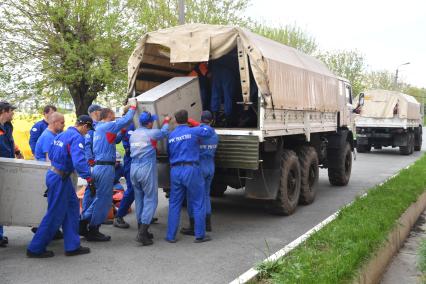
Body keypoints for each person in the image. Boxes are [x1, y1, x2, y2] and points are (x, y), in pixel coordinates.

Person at [26, 115, 95, 258]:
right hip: (60, 178)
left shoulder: (61, 135)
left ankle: (72, 246)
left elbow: (51, 154)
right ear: (84, 126)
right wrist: (89, 178)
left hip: (57, 175)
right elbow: (79, 161)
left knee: (72, 208)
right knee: (54, 214)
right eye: (87, 130)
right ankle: (35, 248)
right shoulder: (77, 138)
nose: (87, 133)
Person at [79, 99, 137, 242]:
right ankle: (89, 226)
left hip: (99, 167)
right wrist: (134, 106)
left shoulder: (99, 128)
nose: (114, 117)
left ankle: (85, 222)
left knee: (98, 197)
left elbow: (113, 139)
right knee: (103, 200)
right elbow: (127, 118)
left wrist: (122, 132)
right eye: (113, 115)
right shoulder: (108, 125)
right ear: (108, 115)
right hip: (105, 167)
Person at [165, 109, 215, 243]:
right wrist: (197, 123)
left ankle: (170, 236)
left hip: (175, 170)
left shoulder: (171, 135)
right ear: (188, 119)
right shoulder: (193, 131)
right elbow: (210, 131)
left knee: (174, 203)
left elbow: (168, 153)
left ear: (175, 120)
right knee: (198, 201)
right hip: (191, 169)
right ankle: (200, 235)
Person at [130, 111, 170, 245]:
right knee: (151, 199)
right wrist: (166, 121)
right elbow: (164, 133)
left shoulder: (134, 134)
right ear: (149, 123)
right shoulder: (151, 133)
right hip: (146, 168)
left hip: (134, 168)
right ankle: (142, 233)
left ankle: (142, 229)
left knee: (139, 199)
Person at [181, 111, 218, 235]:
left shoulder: (196, 133)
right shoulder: (214, 134)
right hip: (210, 166)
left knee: (193, 197)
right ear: (211, 120)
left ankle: (193, 226)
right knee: (206, 195)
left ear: (201, 119)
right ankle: (208, 224)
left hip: (199, 167)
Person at [0, 101, 22, 248]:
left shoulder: (7, 127)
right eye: (11, 111)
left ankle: (0, 235)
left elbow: (10, 142)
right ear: (3, 111)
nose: (13, 113)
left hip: (6, 167)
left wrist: (17, 151)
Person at [81, 104, 102, 226]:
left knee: (94, 188)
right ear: (94, 112)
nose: (101, 113)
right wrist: (91, 161)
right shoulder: (91, 127)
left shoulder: (98, 126)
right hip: (93, 163)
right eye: (100, 111)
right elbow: (87, 145)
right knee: (91, 188)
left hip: (96, 162)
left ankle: (90, 214)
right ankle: (85, 215)